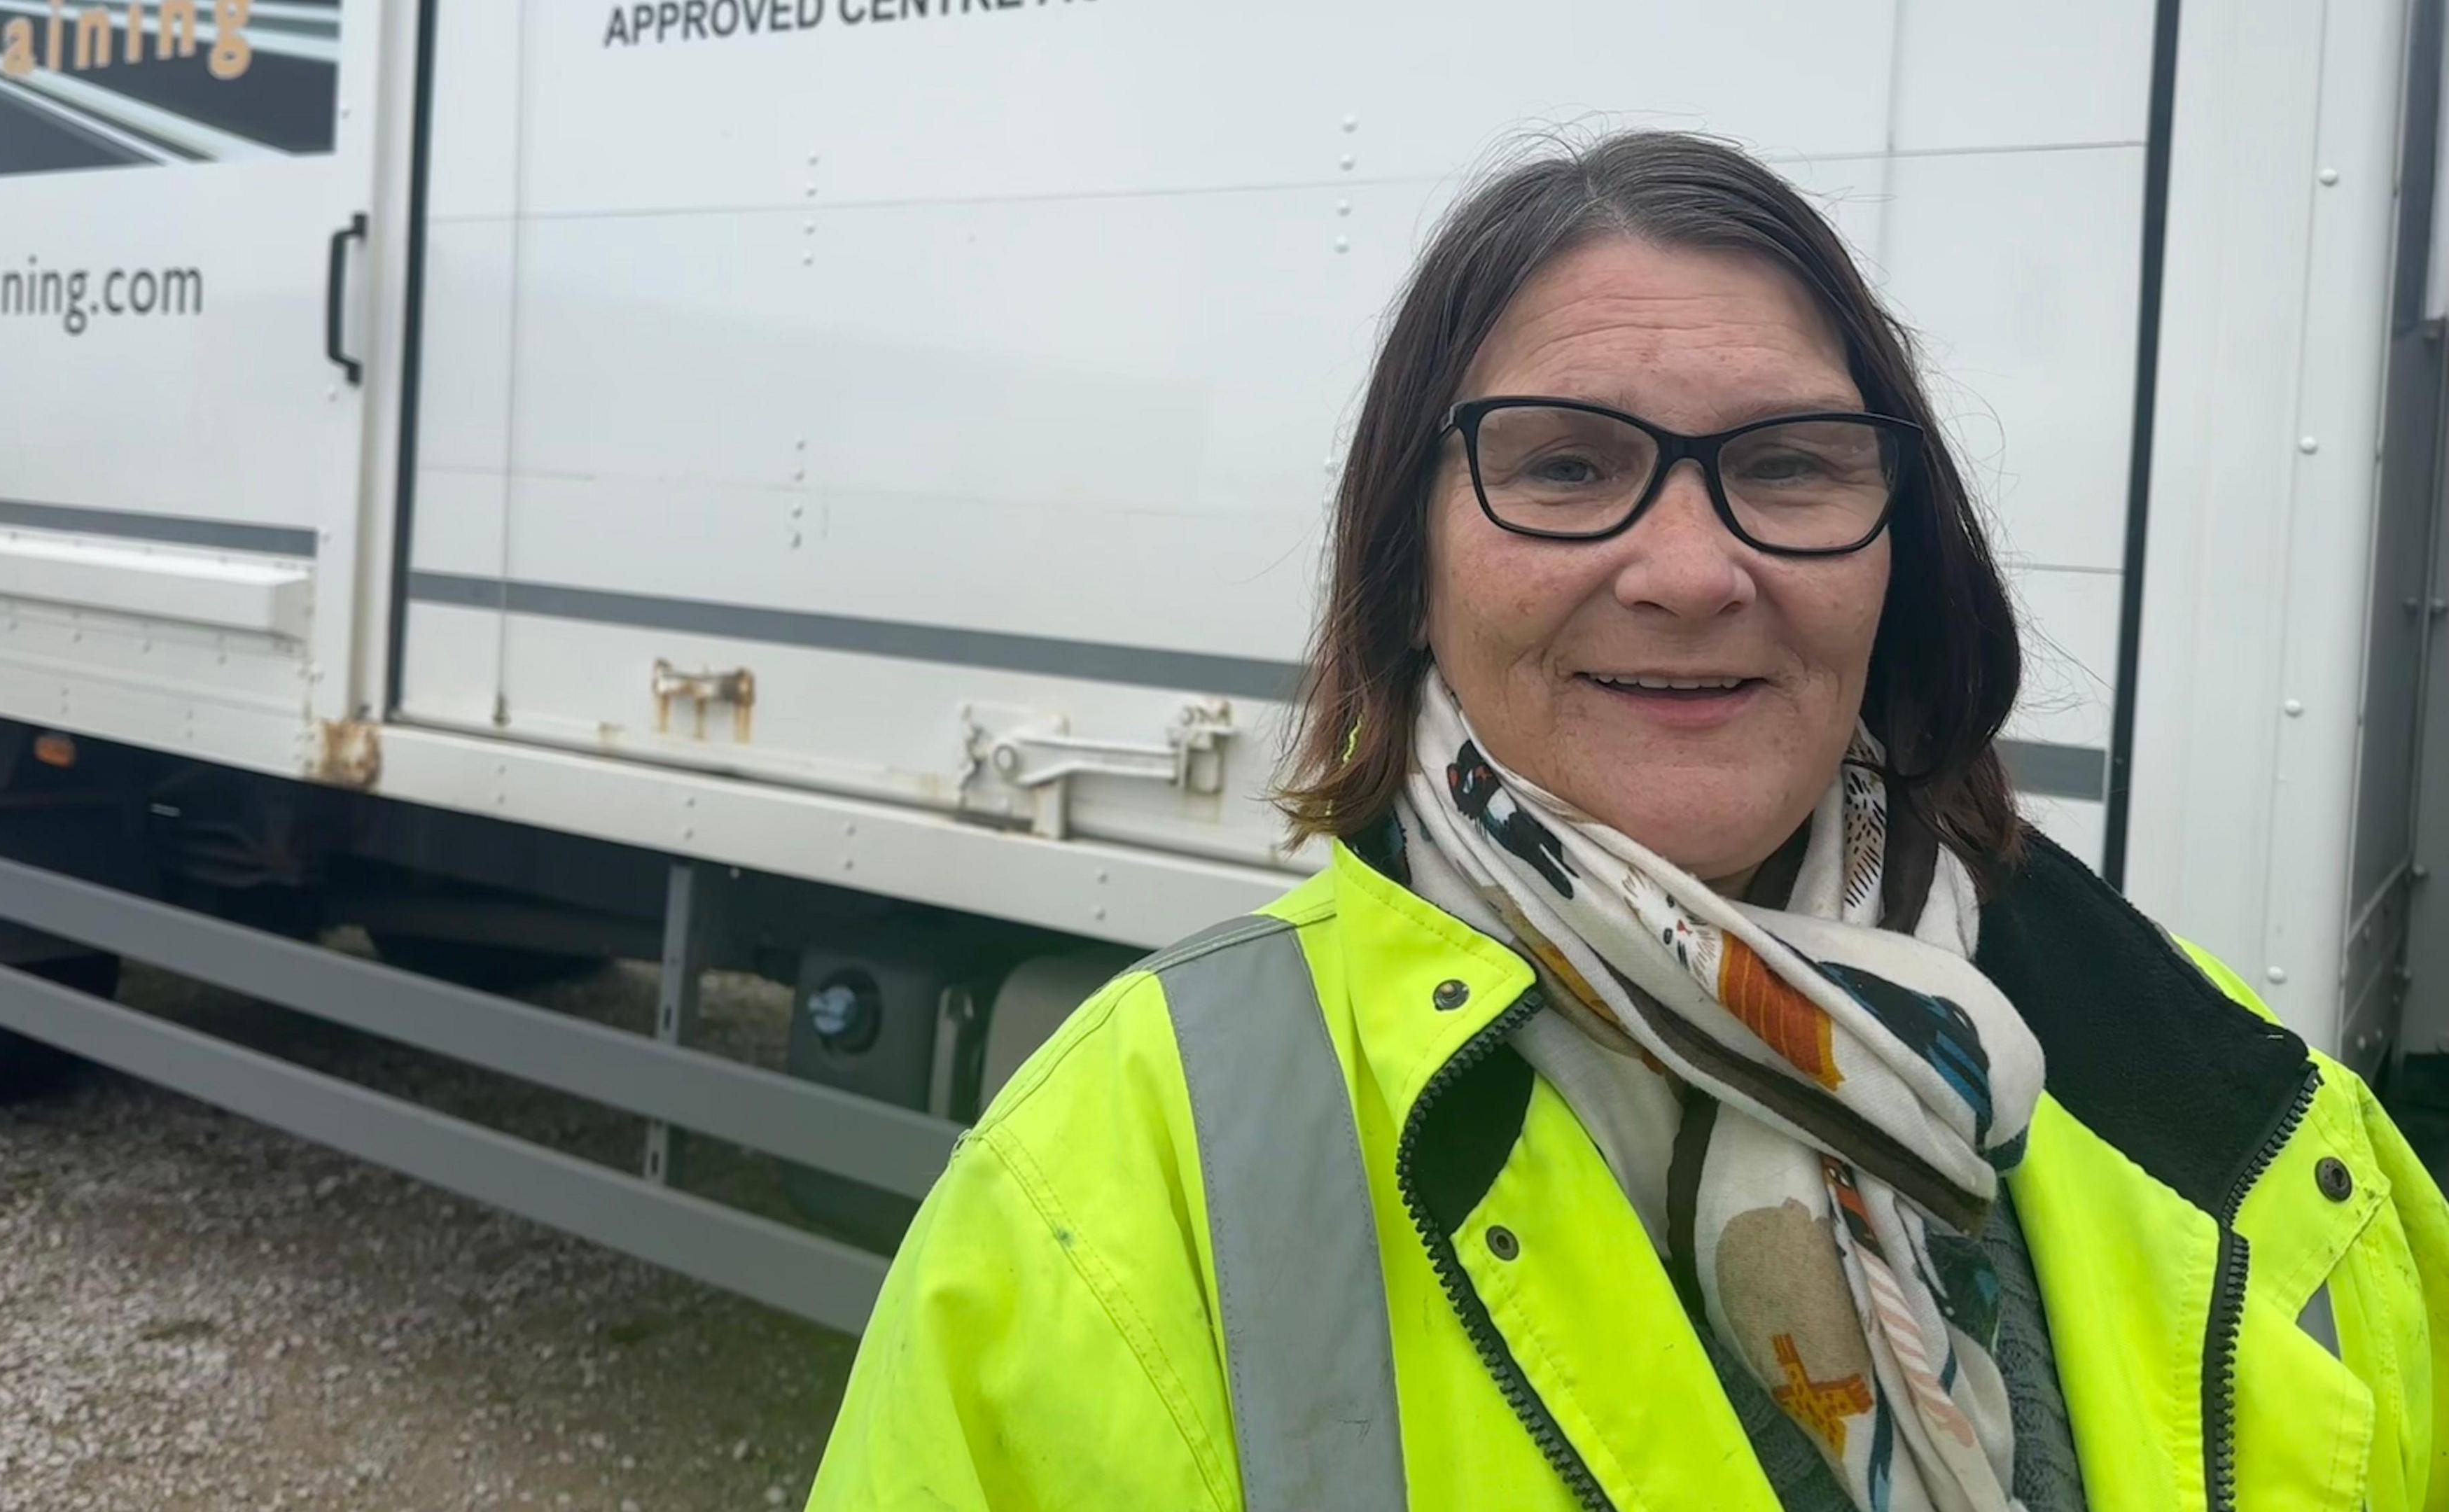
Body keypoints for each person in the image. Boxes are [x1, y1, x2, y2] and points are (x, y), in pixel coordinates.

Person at [806, 131, 2449, 1511]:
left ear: (1902, 553)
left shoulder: (2229, 1104)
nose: (1686, 571)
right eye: (1571, 467)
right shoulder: (1114, 1174)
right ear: (1413, 565)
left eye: (1791, 465)